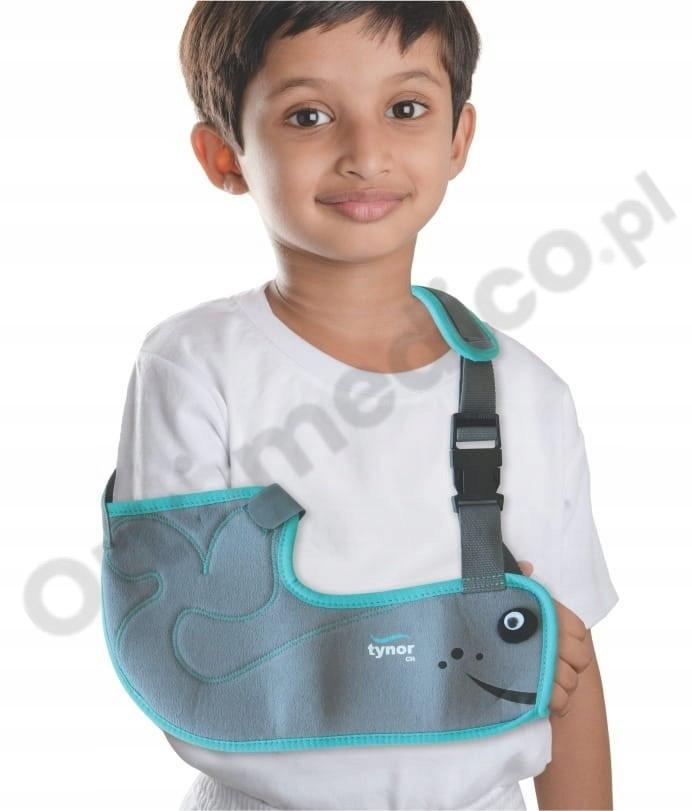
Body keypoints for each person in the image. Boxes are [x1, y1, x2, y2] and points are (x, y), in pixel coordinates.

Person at [111, 2, 619, 808]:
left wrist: (503, 633)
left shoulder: (528, 393)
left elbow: (571, 664)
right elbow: (194, 656)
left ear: (458, 138)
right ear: (224, 154)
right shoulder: (195, 365)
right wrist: (468, 632)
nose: (366, 153)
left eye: (405, 108)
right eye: (308, 116)